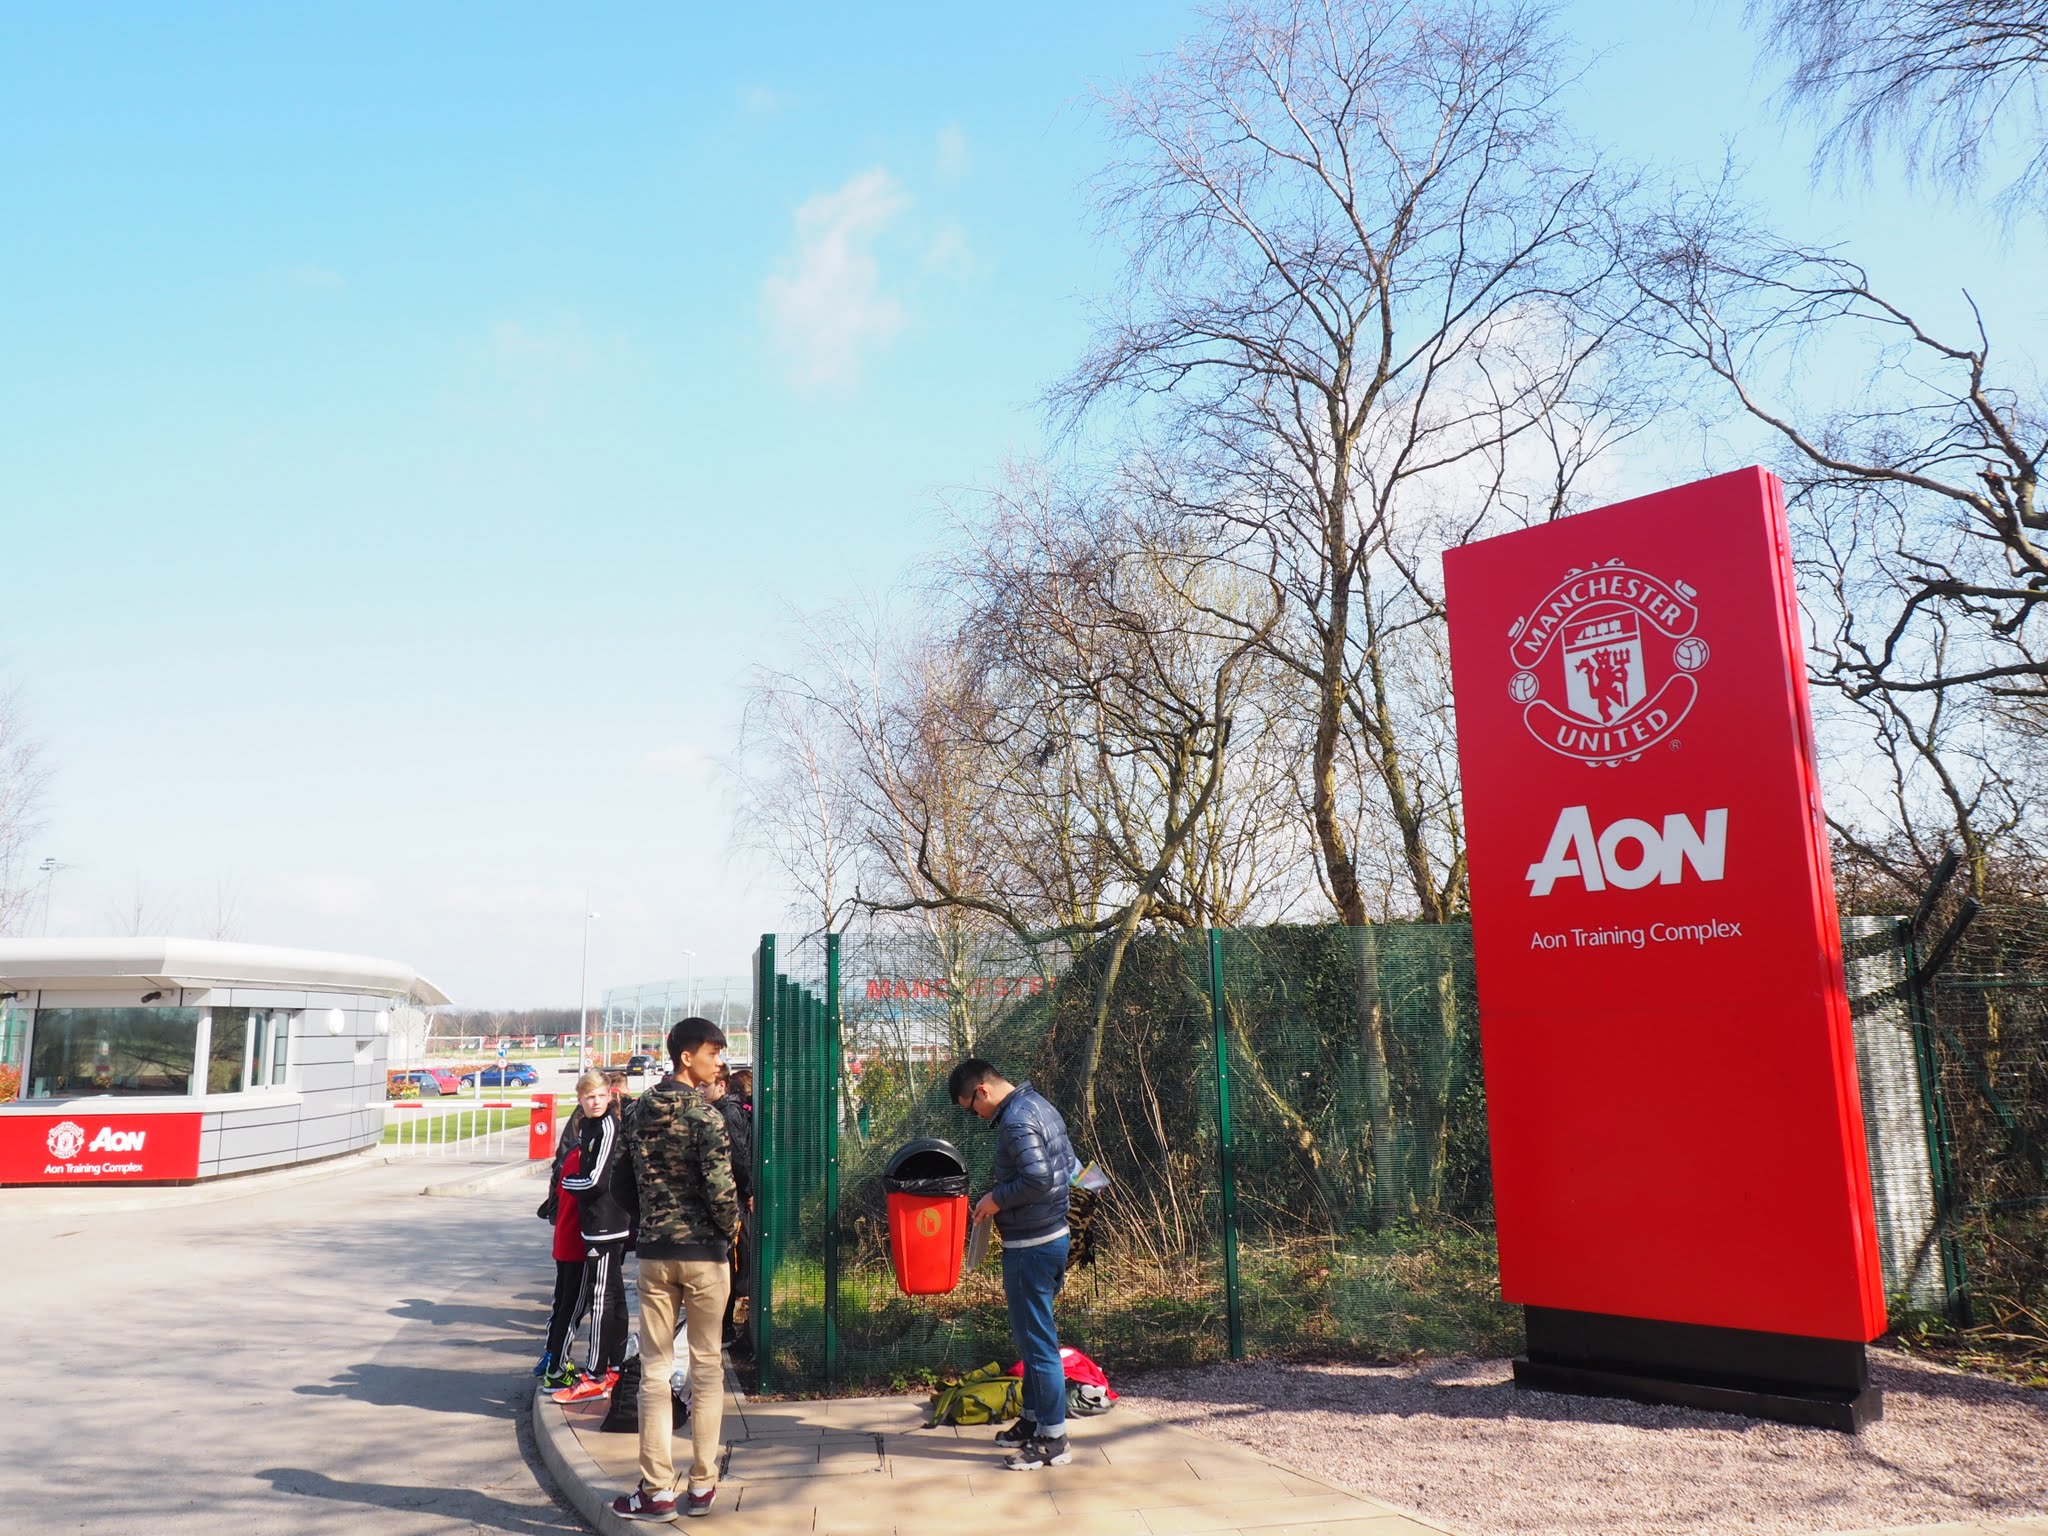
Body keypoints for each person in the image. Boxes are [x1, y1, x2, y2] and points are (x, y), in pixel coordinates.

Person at [610, 1017, 739, 1521]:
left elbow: (620, 1182)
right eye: (713, 1053)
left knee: (655, 1372)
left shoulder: (639, 1112)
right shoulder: (707, 1119)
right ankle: (703, 1486)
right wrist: (726, 1234)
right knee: (706, 1368)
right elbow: (722, 1193)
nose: (719, 1062)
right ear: (687, 1057)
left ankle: (657, 1489)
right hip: (705, 1256)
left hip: (656, 1256)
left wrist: (649, 1220)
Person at [949, 1057, 1077, 1471]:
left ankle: (1053, 1440)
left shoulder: (1017, 1120)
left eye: (971, 1107)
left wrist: (995, 1199)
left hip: (1032, 1246)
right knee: (1032, 1338)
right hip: (1053, 1237)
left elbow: (1038, 1177)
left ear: (981, 1091)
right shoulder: (1040, 1104)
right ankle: (1035, 1420)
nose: (975, 1115)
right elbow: (1070, 1166)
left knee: (1038, 1345)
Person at [553, 1070, 631, 1403]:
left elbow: (594, 1181)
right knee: (613, 1292)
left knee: (600, 1298)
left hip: (606, 1224)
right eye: (589, 1097)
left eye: (600, 1095)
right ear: (580, 1099)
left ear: (610, 1095)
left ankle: (595, 1374)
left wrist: (566, 1185)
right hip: (597, 1222)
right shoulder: (589, 1127)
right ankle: (614, 1365)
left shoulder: (608, 1126)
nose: (596, 1102)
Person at [703, 1068, 754, 1349]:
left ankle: (723, 1325)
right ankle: (721, 1324)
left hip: (731, 1197)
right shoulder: (720, 1111)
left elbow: (739, 1156)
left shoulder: (727, 1113)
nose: (700, 1090)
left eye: (705, 1085)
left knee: (728, 1259)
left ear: (721, 1085)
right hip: (728, 1196)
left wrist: (747, 1191)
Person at [536, 1142, 591, 1390]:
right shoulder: (586, 1159)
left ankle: (551, 1356)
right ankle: (557, 1368)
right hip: (577, 1242)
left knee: (562, 1304)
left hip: (564, 1239)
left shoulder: (573, 1155)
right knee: (573, 1307)